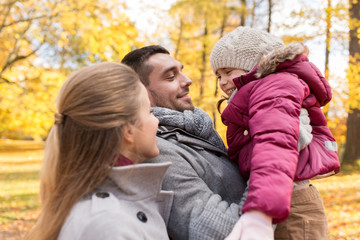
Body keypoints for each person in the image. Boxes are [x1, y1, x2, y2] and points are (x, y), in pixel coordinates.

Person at [121, 45, 314, 240]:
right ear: (140, 93)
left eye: (182, 71)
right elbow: (219, 232)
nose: (187, 80)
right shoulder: (157, 152)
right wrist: (275, 155)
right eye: (171, 77)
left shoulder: (198, 133)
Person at [210, 26, 340, 240]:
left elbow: (274, 142)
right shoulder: (255, 94)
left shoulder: (272, 87)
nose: (222, 81)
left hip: (289, 203)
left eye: (229, 72)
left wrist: (261, 212)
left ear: (253, 66)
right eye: (218, 75)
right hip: (280, 197)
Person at [25, 62, 173, 240]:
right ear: (128, 131)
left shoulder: (106, 215)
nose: (156, 120)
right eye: (149, 111)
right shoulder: (107, 225)